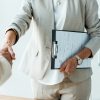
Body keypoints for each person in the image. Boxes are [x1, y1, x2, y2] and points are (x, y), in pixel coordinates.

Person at [0, 0, 100, 99]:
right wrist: (7, 43)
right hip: (42, 75)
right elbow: (21, 19)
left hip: (76, 78)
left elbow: (97, 33)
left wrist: (78, 58)